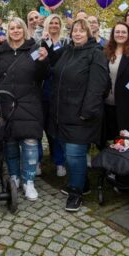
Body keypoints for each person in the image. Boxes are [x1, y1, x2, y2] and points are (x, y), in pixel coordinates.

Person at [48, 18, 109, 212]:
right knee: (69, 153)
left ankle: (76, 192)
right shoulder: (68, 51)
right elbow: (54, 70)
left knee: (75, 155)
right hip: (63, 113)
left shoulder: (95, 53)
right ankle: (83, 184)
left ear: (89, 33)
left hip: (81, 115)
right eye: (75, 30)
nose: (77, 34)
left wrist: (87, 112)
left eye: (82, 31)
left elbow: (99, 85)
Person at [0, 17, 49, 201]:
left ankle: (29, 181)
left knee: (29, 143)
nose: (15, 30)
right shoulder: (2, 51)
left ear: (23, 29)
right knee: (10, 143)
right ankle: (14, 177)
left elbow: (42, 74)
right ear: (8, 31)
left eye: (18, 27)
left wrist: (44, 61)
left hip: (29, 102)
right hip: (7, 103)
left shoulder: (33, 49)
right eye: (11, 28)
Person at [40, 13, 67, 176]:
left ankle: (60, 162)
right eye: (52, 23)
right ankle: (39, 160)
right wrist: (46, 42)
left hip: (61, 88)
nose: (54, 25)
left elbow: (58, 59)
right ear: (47, 25)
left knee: (57, 126)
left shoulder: (66, 42)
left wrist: (49, 44)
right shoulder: (40, 41)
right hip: (44, 87)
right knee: (42, 125)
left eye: (57, 23)